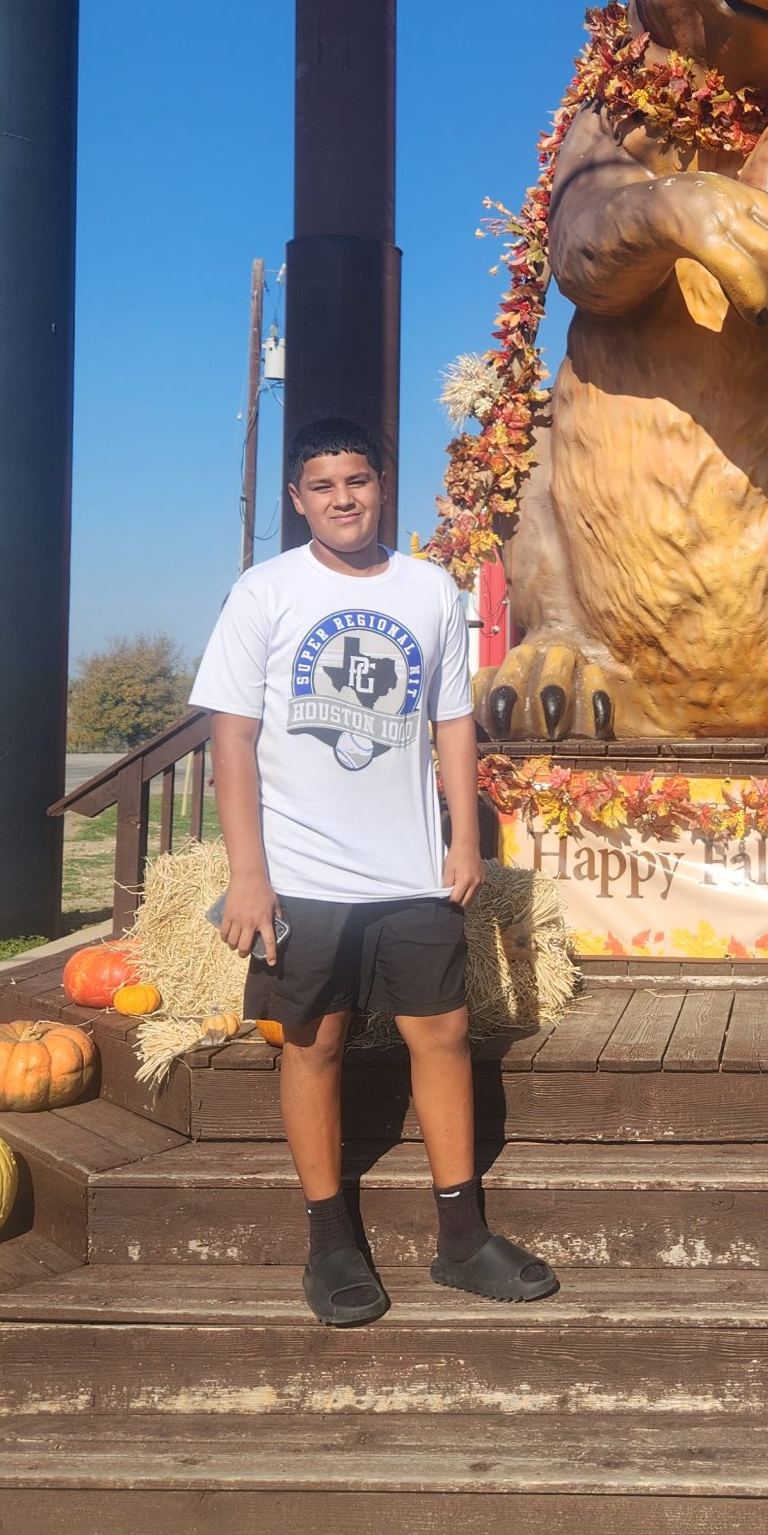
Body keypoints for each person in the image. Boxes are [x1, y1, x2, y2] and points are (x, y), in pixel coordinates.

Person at [191, 417, 559, 1324]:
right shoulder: (264, 592)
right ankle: (329, 1243)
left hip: (411, 871)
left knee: (443, 1036)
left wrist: (463, 840)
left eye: (356, 480)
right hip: (302, 876)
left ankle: (462, 1238)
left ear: (381, 486)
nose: (343, 498)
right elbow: (231, 737)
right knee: (311, 1044)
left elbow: (452, 722)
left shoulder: (430, 589)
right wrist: (249, 874)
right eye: (322, 486)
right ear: (297, 499)